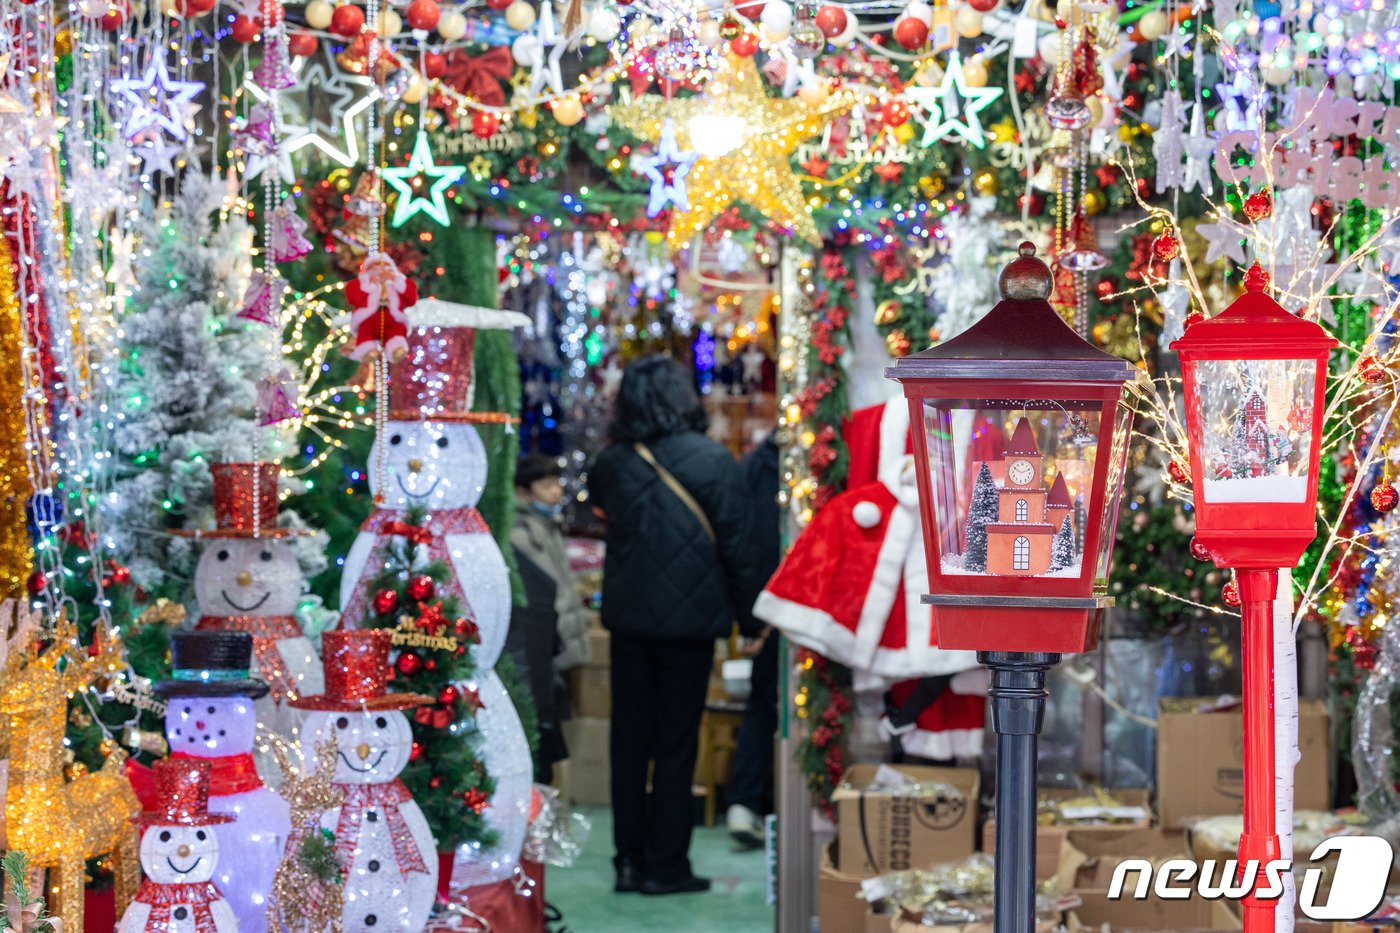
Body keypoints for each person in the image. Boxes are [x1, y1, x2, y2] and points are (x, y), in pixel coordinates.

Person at [587, 355, 764, 897]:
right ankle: (667, 866)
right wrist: (750, 617)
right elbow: (741, 549)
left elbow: (602, 517)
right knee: (676, 743)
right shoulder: (715, 462)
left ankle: (626, 861)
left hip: (629, 623)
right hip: (690, 627)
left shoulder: (612, 463)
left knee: (628, 741)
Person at [509, 454, 591, 783]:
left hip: (555, 641)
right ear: (523, 492)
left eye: (556, 483)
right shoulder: (521, 533)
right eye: (545, 485)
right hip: (541, 643)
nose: (554, 491)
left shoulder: (549, 526)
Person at [726, 432, 782, 848]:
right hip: (787, 602)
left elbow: (741, 546)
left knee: (762, 705)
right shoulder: (758, 469)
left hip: (766, 603)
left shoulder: (751, 467)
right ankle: (759, 803)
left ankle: (747, 803)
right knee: (768, 704)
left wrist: (750, 617)